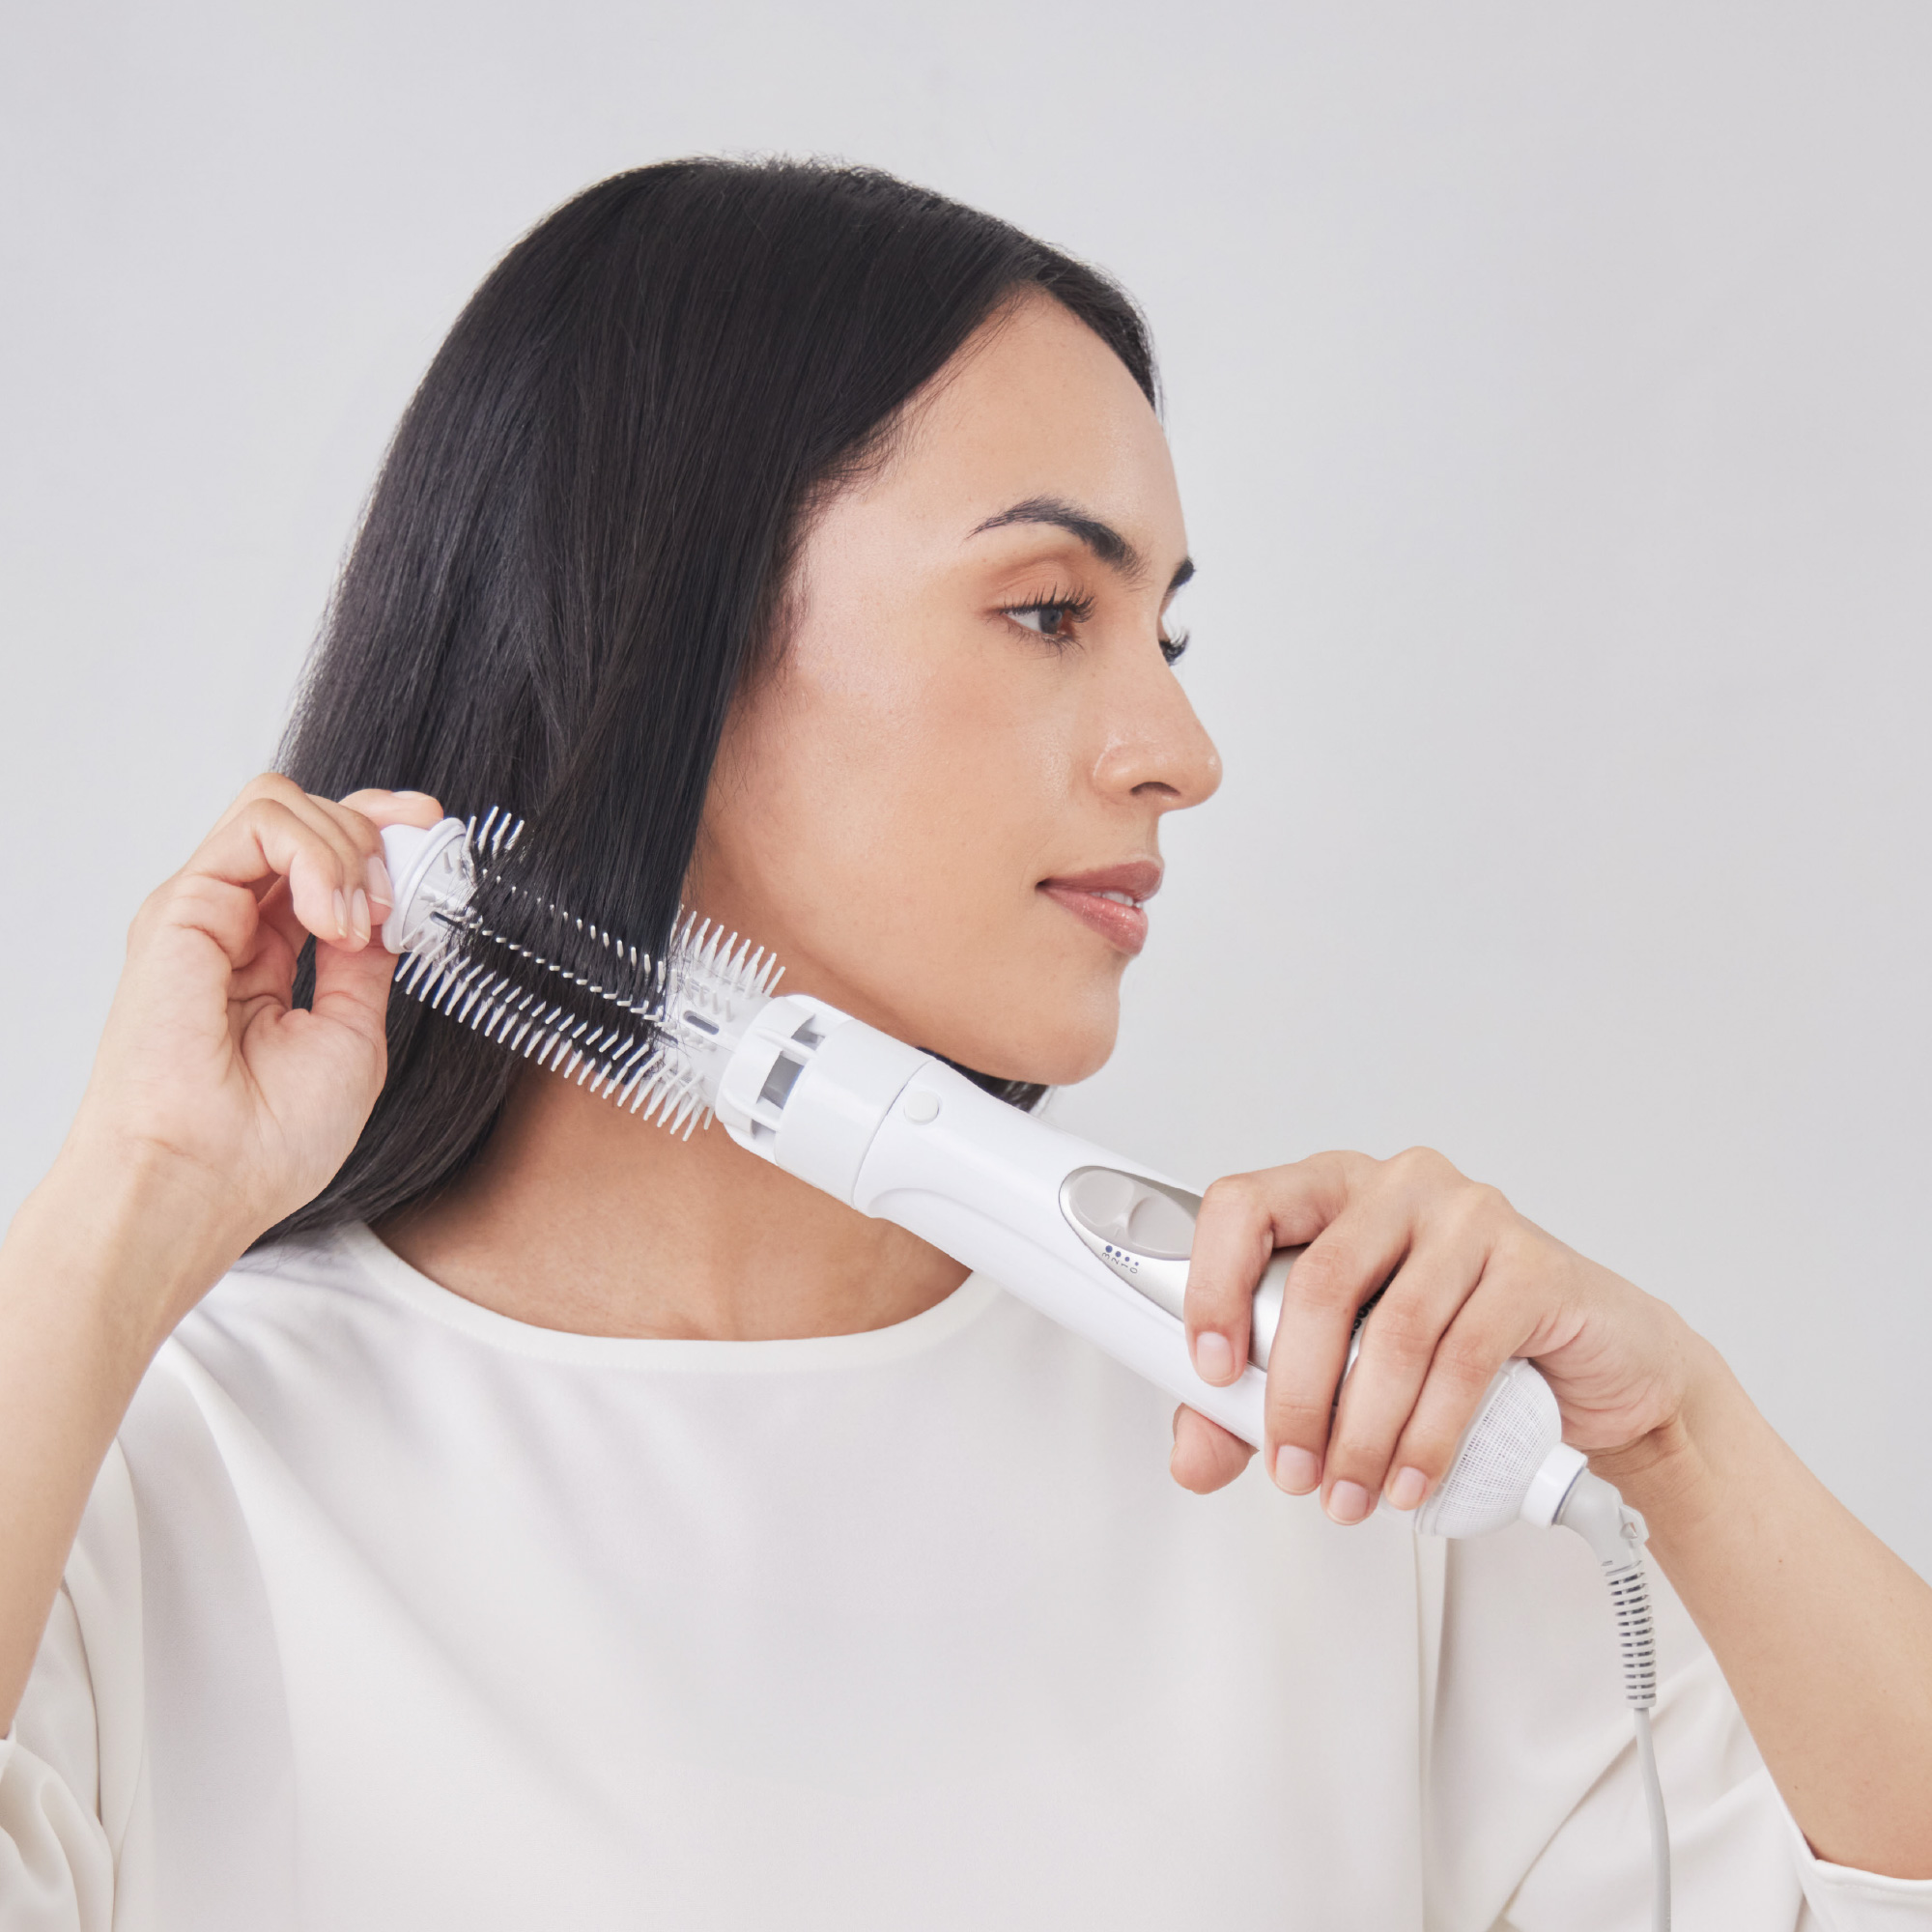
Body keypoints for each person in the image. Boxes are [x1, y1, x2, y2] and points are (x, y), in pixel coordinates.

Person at [0, 159, 1927, 1930]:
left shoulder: (1310, 1450)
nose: (1178, 752)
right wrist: (123, 1212)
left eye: (1161, 633)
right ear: (644, 633)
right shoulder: (148, 1479)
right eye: (1040, 610)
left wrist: (1682, 1438)